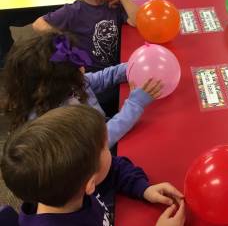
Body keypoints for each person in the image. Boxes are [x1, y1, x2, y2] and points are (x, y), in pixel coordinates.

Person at [1, 105, 186, 226]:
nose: (111, 152)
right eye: (106, 148)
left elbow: (114, 168)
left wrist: (144, 189)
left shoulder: (67, 184)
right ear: (90, 184)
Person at [1, 33, 161, 148]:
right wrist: (135, 104)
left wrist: (131, 68)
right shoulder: (55, 119)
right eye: (76, 67)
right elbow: (100, 140)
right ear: (56, 81)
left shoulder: (69, 84)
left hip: (102, 130)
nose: (83, 67)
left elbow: (102, 78)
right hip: (95, 159)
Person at [32, 0, 138, 71]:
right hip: (91, 76)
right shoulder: (73, 11)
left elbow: (137, 21)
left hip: (116, 67)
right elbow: (38, 24)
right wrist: (66, 43)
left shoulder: (113, 4)